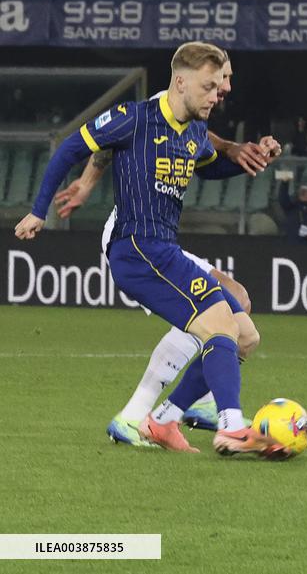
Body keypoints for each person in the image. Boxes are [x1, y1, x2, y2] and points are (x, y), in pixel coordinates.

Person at [15, 42, 288, 459]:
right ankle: (232, 426)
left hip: (164, 250)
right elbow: (73, 147)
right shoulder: (134, 119)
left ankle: (163, 419)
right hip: (137, 249)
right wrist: (38, 212)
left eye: (220, 85)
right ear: (181, 82)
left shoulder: (194, 130)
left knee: (244, 334)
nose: (218, 94)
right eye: (210, 85)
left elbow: (212, 165)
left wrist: (251, 159)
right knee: (220, 326)